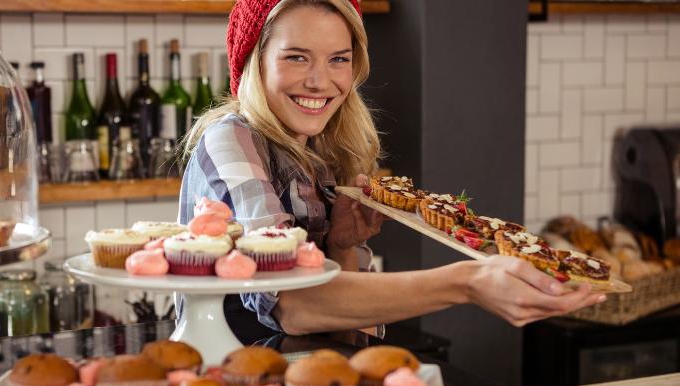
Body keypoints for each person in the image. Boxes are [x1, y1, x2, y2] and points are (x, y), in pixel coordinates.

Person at [178, 0, 604, 338]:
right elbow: (294, 305)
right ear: (254, 62)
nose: (320, 82)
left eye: (338, 59)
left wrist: (341, 248)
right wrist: (468, 281)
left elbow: (355, 331)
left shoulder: (328, 151)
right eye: (296, 58)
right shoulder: (231, 139)